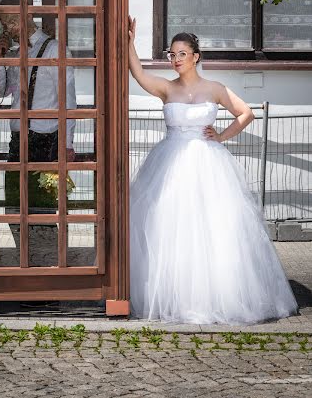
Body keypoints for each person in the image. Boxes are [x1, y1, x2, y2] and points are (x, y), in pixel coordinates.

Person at [128, 17, 299, 324]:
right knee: (171, 228)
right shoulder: (166, 88)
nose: (176, 59)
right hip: (170, 162)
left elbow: (245, 113)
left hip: (208, 164)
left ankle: (215, 297)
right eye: (171, 54)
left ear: (196, 56)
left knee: (212, 229)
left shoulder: (215, 88)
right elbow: (138, 73)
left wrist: (221, 136)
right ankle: (178, 297)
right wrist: (129, 40)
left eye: (182, 53)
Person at [0, 0, 77, 232]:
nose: (9, 26)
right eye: (4, 22)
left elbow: (68, 100)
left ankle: (47, 262)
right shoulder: (11, 52)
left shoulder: (55, 49)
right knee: (14, 209)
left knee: (45, 212)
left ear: (28, 14)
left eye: (12, 19)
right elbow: (1, 91)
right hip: (18, 139)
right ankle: (22, 262)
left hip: (47, 139)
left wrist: (67, 144)